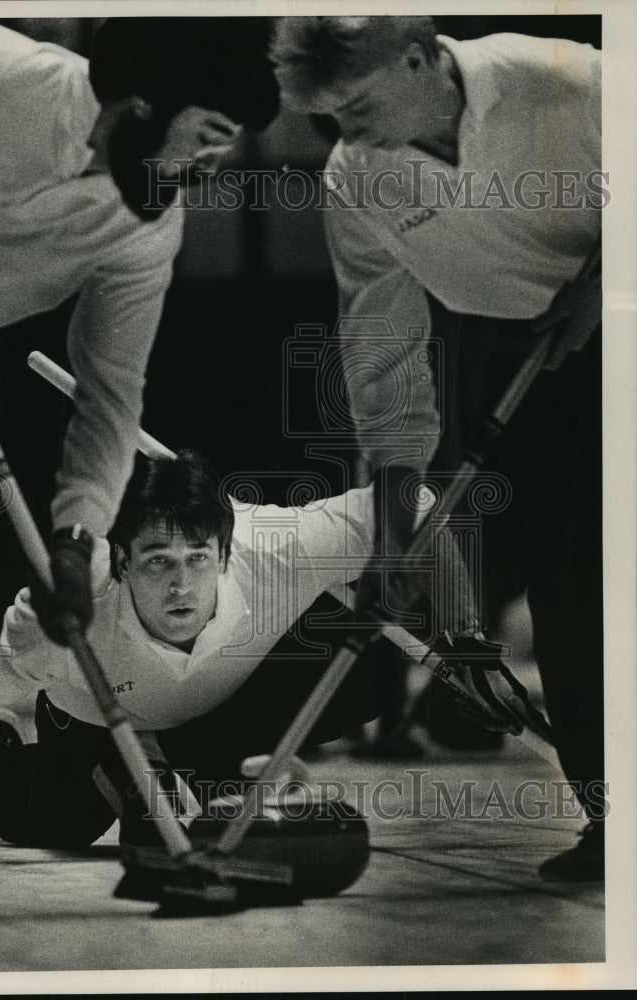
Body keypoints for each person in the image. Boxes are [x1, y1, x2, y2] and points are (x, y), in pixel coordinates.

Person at [0, 15, 279, 919]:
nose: (214, 168)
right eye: (210, 136)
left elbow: (110, 395)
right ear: (142, 106)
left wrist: (77, 538)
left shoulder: (147, 224)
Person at [271, 16, 604, 880]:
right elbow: (380, 350)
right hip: (543, 355)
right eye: (328, 118)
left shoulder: (559, 79)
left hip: (610, 311)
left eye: (356, 106)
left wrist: (611, 283)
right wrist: (394, 527)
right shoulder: (357, 179)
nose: (344, 135)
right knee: (576, 595)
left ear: (418, 61)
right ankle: (616, 820)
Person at [0, 449, 388, 848]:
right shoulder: (70, 594)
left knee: (374, 675)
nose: (181, 586)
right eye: (158, 560)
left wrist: (457, 623)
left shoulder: (274, 548)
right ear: (122, 561)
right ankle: (0, 754)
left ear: (223, 554)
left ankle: (169, 768)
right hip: (91, 723)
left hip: (207, 719)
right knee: (40, 819)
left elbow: (414, 501)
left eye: (197, 558)